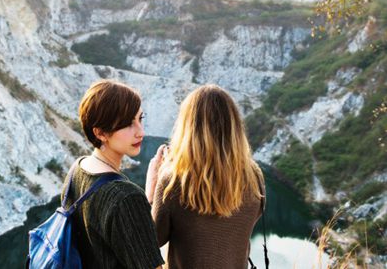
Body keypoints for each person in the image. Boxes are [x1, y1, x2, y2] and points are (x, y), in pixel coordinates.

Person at [145, 84, 265, 269]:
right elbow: (248, 220)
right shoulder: (254, 176)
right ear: (234, 126)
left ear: (188, 127)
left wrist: (153, 190)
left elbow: (150, 243)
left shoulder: (173, 181)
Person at [61, 79, 164, 269]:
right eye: (127, 124)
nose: (140, 132)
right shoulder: (125, 197)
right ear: (100, 133)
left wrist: (148, 196)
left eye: (140, 119)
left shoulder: (78, 168)